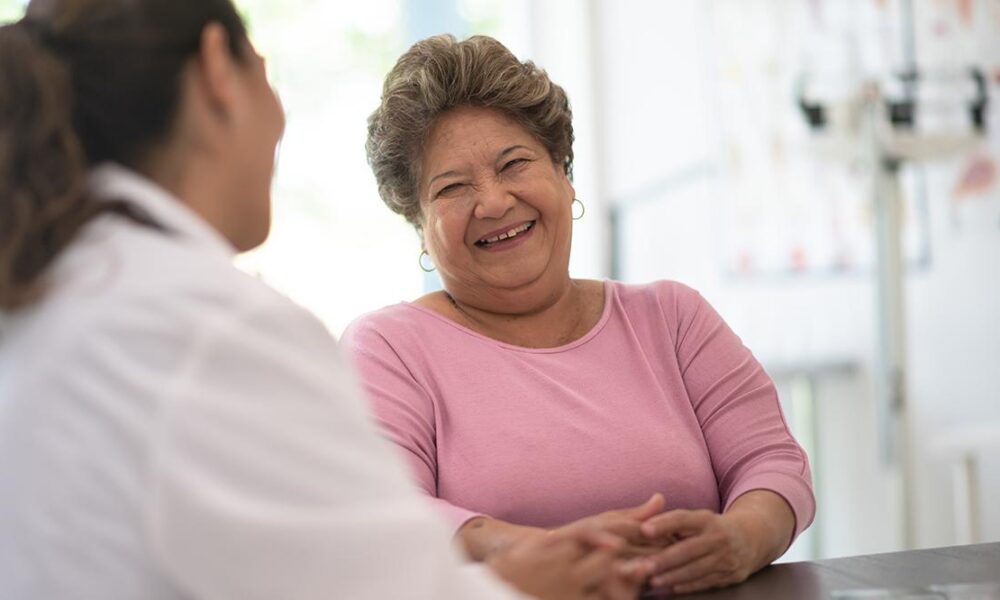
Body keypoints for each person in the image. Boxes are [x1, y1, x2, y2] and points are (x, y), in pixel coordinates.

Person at [0, 3, 646, 599]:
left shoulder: (57, 289)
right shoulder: (208, 327)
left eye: (514, 165)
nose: (279, 120)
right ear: (218, 74)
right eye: (265, 73)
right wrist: (520, 583)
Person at [345, 34, 817, 595]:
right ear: (419, 225)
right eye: (452, 187)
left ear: (564, 176)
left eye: (514, 164)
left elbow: (772, 461)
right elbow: (386, 511)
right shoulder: (388, 347)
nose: (493, 202)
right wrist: (523, 551)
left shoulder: (672, 317)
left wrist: (742, 538)